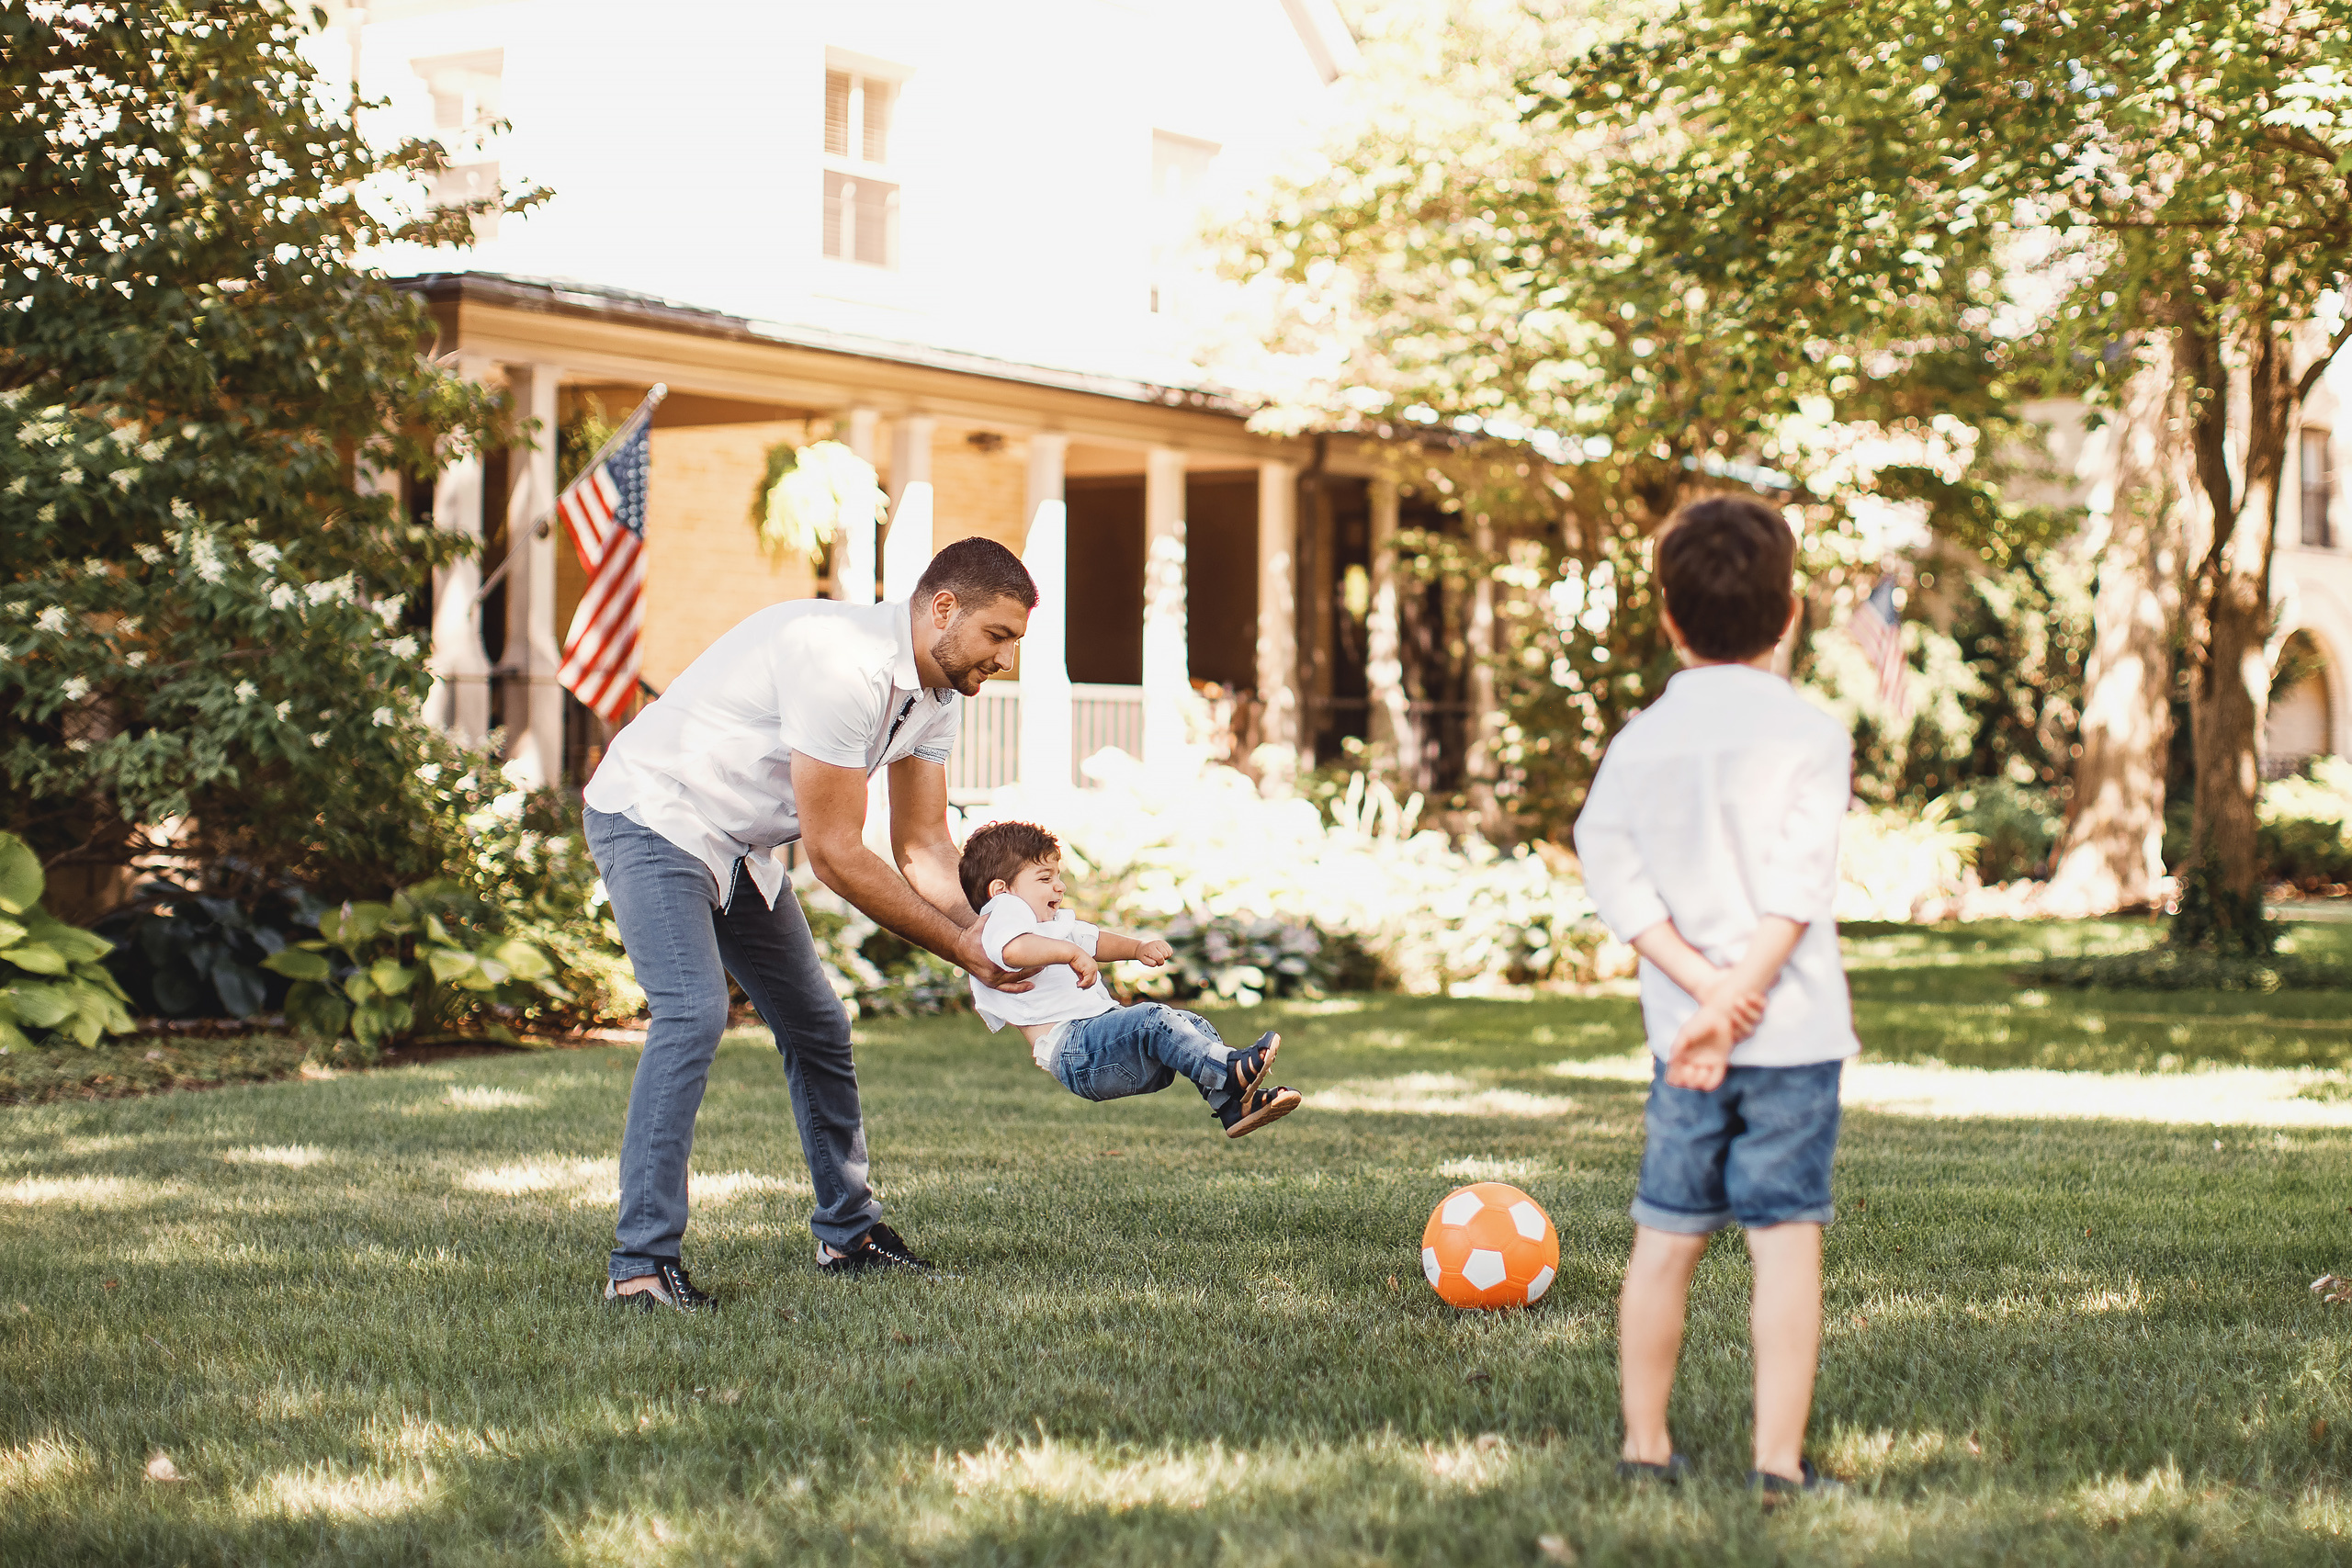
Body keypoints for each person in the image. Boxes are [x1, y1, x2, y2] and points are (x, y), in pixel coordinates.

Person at [582, 537, 1047, 1312]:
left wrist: (995, 936)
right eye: (997, 635)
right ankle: (639, 1267)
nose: (1005, 658)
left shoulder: (936, 696)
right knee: (692, 1011)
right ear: (943, 608)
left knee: (819, 1026)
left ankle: (849, 1234)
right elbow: (834, 853)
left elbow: (924, 846)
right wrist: (962, 947)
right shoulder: (844, 664)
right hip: (656, 814)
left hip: (739, 844)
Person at [1571, 494, 1858, 1502]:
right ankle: (1776, 1466)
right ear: (1790, 615)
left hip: (1686, 1041)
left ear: (1667, 617)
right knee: (1785, 1245)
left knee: (1664, 1237)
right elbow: (1797, 891)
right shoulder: (1812, 735)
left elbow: (1610, 872)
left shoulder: (1639, 743)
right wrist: (1739, 996)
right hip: (1791, 1038)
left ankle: (1645, 1448)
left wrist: (1701, 993)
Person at [957, 819, 1302, 1137]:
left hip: (1099, 1044)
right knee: (1152, 1018)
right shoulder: (1002, 913)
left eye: (1058, 876)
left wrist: (1137, 948)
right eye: (1045, 878)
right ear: (1000, 889)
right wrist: (1070, 953)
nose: (1059, 887)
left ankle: (1232, 1105)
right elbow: (1012, 950)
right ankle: (1227, 1071)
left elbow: (1094, 940)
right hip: (1075, 1049)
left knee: (1190, 1023)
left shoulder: (1050, 925)